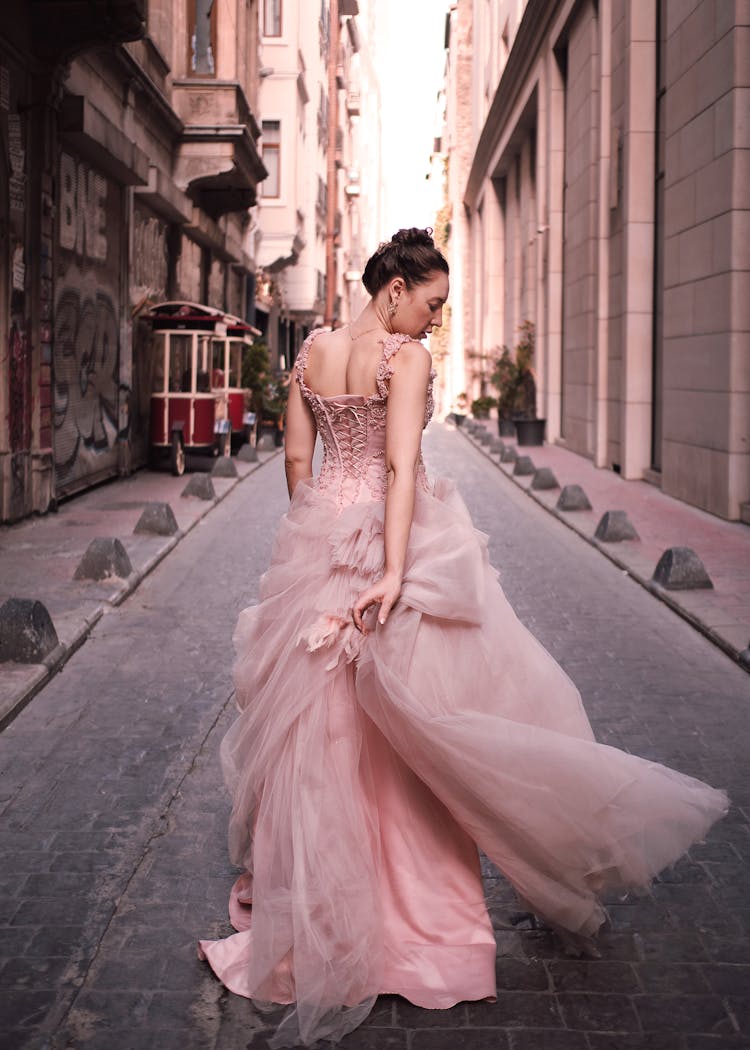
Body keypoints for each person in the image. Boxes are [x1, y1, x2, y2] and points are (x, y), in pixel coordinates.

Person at [199, 228, 728, 1048]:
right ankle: (417, 935)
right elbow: (404, 468)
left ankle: (318, 923)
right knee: (411, 740)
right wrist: (392, 569)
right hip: (382, 548)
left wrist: (314, 539)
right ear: (396, 288)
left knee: (323, 742)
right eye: (433, 303)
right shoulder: (400, 359)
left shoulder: (311, 352)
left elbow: (297, 462)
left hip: (314, 546)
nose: (434, 324)